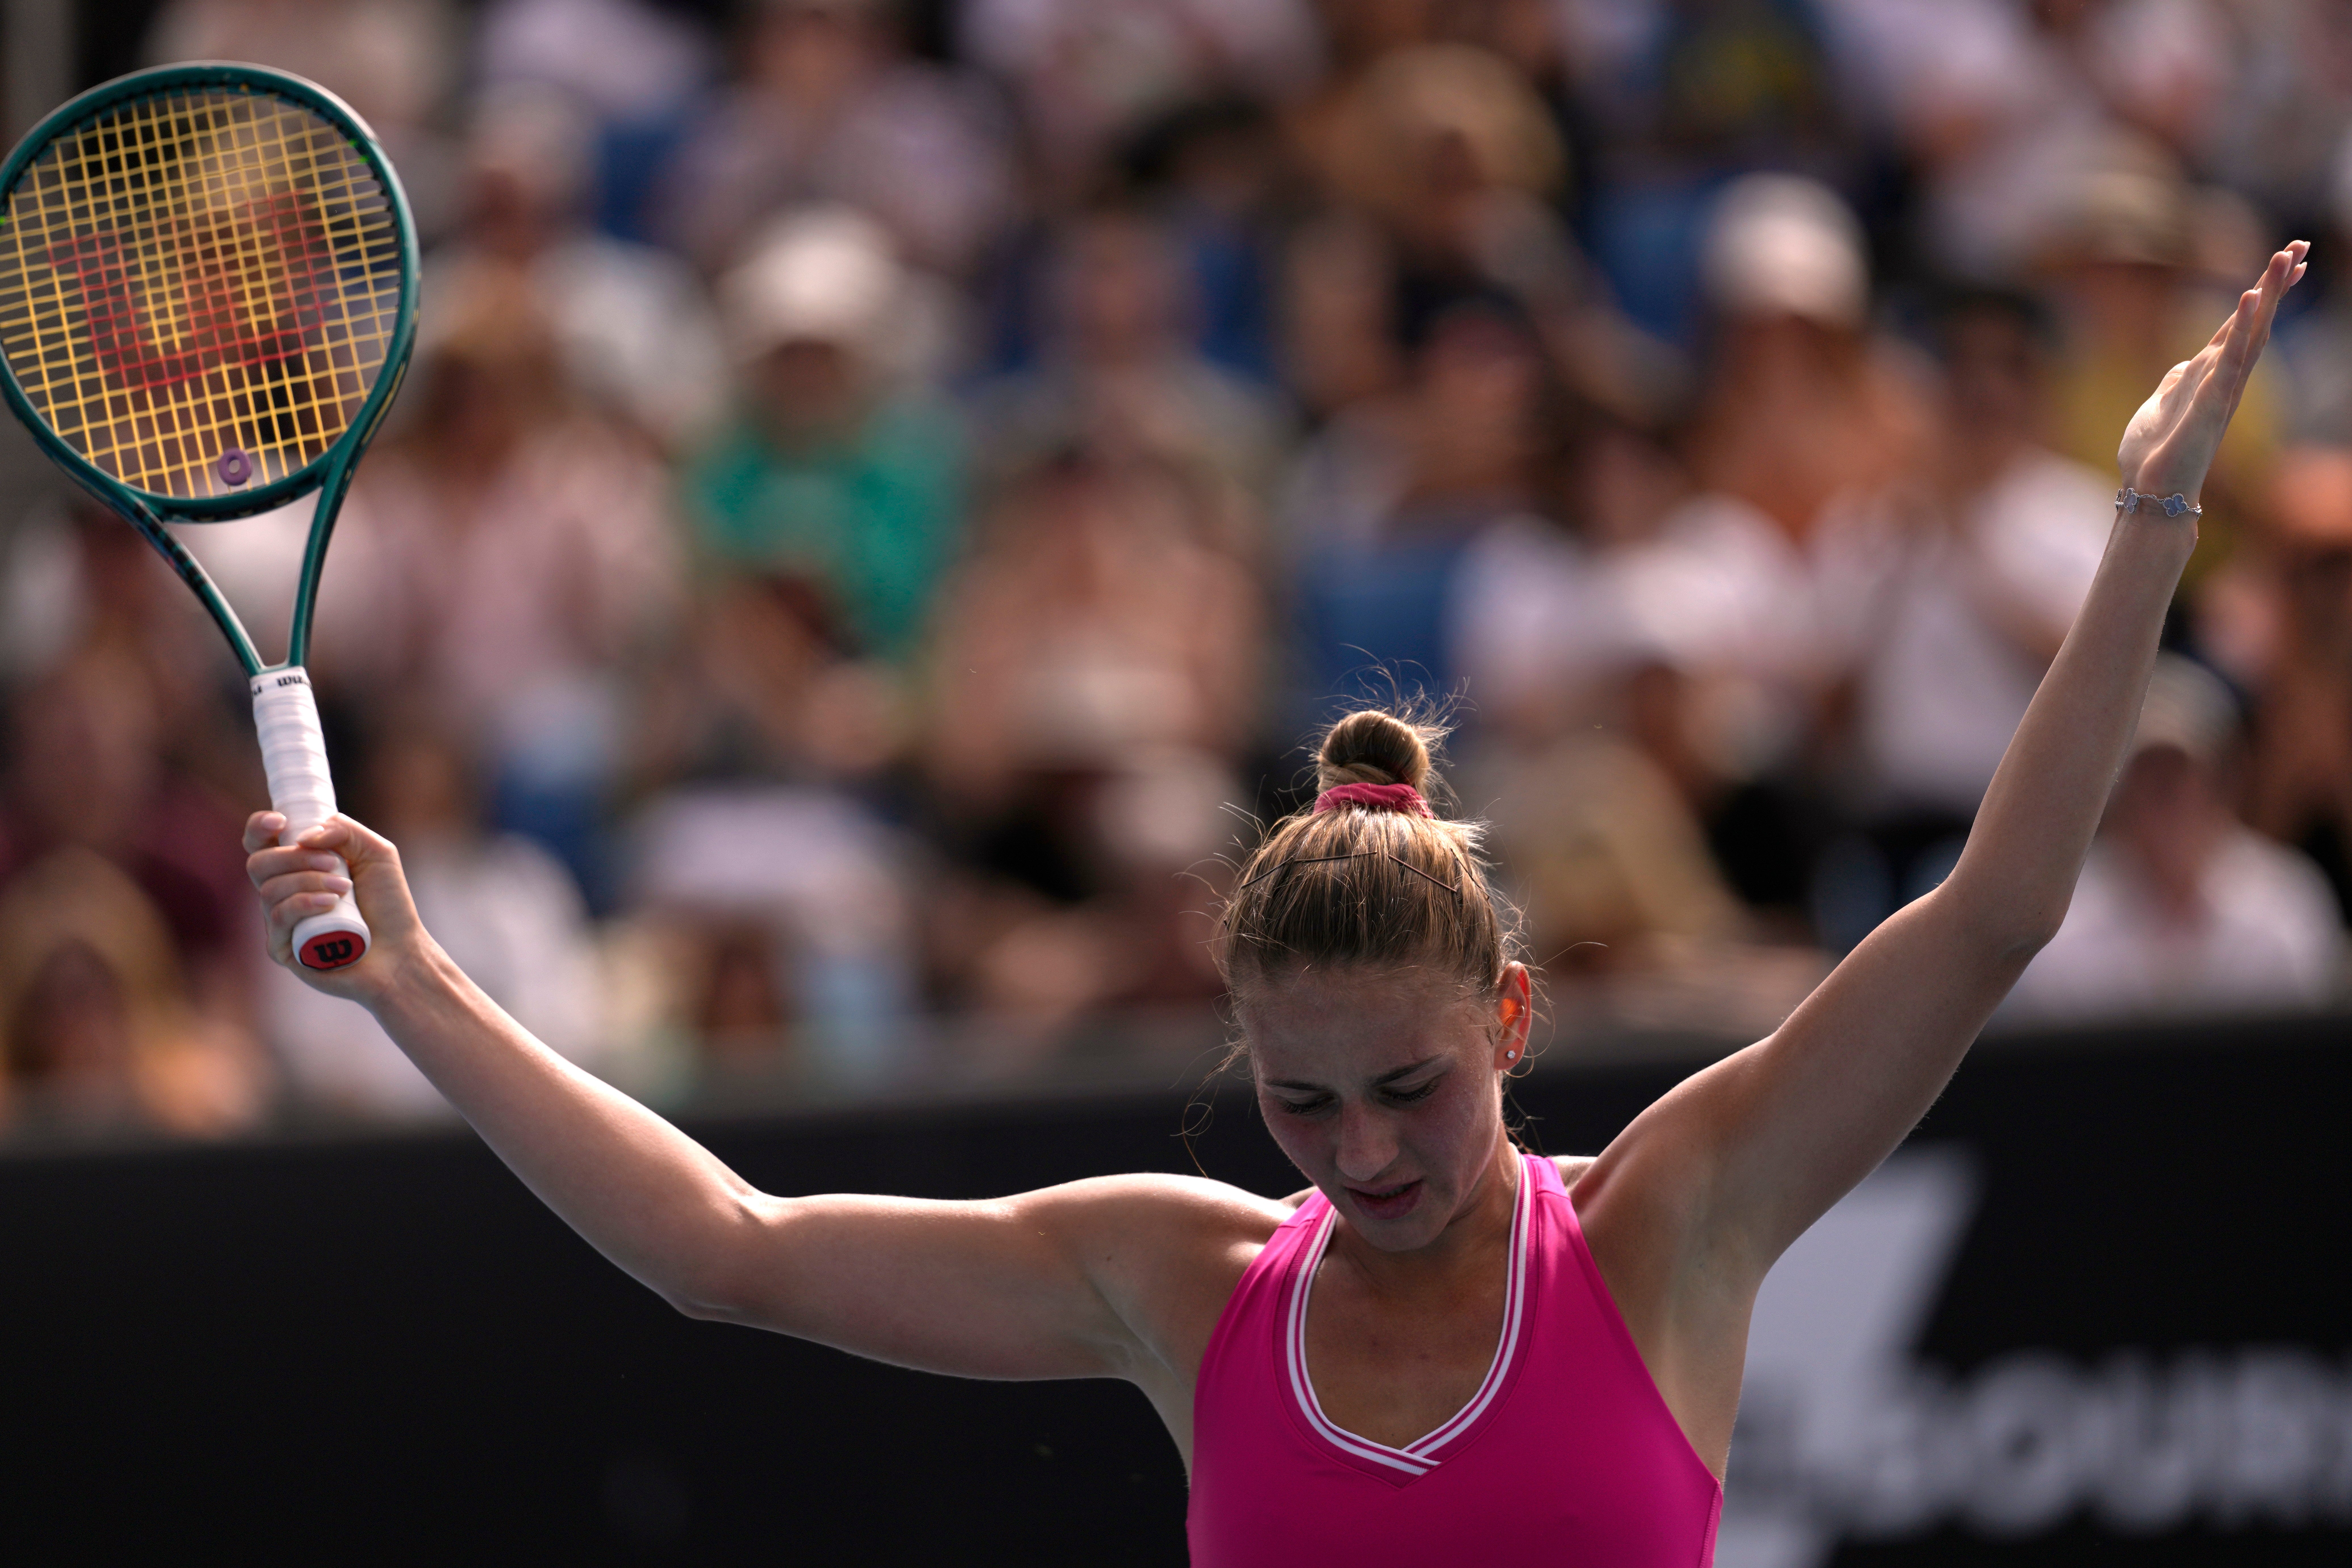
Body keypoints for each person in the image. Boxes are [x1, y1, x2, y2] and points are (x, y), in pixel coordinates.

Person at [240, 245, 2307, 1561]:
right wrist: (419, 984)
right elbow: (733, 1250)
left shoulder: (1679, 1220)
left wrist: (2144, 517)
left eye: (1410, 1084)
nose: (1365, 1149)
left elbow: (1997, 910)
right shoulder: (1188, 1282)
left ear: (1511, 1021)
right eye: (1307, 1107)